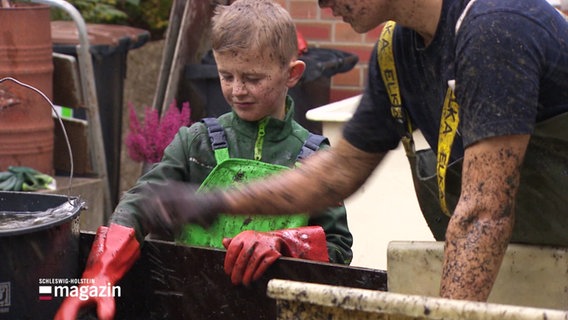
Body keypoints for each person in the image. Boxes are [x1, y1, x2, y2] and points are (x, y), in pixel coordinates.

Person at [139, 0, 568, 304]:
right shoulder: (397, 49)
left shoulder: (494, 26)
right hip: (534, 270)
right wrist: (217, 202)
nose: (323, 4)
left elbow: (483, 213)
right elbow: (338, 172)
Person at [54, 0, 352, 319]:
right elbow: (140, 202)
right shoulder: (196, 143)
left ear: (292, 74)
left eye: (252, 78)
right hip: (191, 306)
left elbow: (338, 249)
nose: (238, 90)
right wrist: (101, 272)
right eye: (226, 76)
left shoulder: (314, 157)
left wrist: (284, 242)